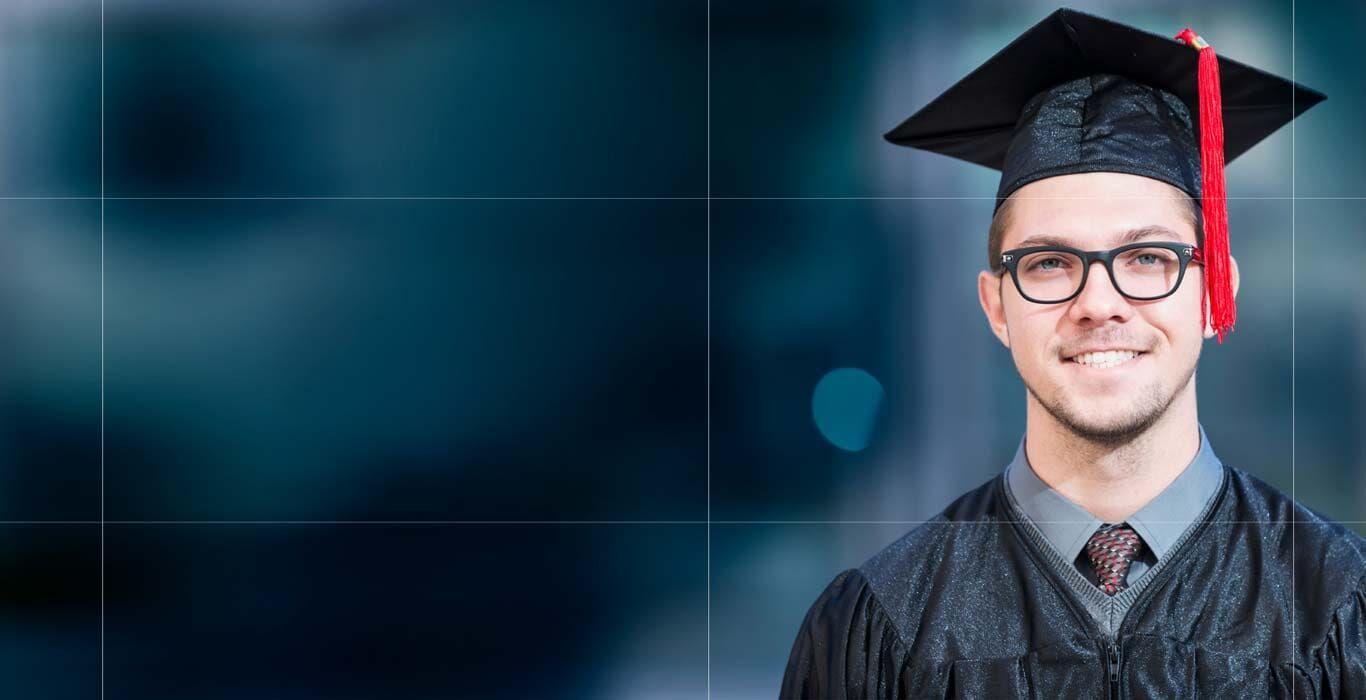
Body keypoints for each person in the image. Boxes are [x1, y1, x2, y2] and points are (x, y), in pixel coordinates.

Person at [779, 8, 1364, 698]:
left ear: (1215, 294)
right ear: (997, 306)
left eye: (1148, 258)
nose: (1098, 302)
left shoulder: (1335, 610)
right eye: (1051, 263)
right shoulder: (881, 627)